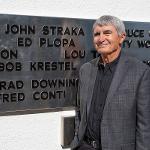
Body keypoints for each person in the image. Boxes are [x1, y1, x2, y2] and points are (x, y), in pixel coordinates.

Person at [70, 15, 150, 150]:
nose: (101, 39)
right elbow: (80, 110)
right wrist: (77, 140)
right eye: (97, 34)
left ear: (121, 37)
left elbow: (145, 125)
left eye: (107, 33)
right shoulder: (86, 69)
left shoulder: (140, 72)